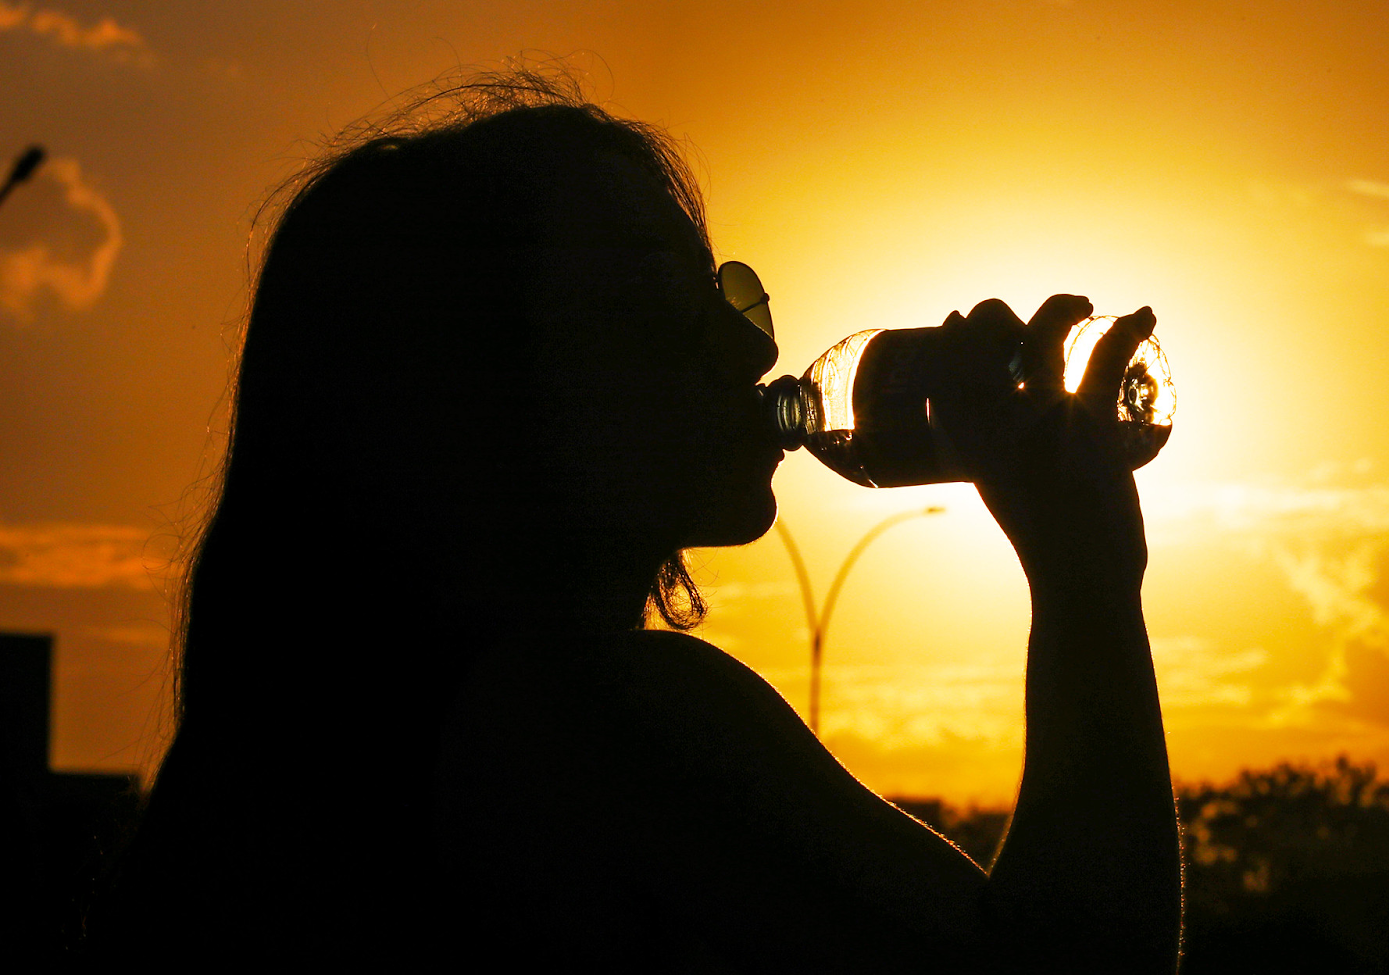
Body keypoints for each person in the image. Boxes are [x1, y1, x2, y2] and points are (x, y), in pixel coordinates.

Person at [95, 70, 1180, 970]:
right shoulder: (592, 718)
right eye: (656, 308)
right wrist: (1084, 571)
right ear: (480, 394)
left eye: (726, 294)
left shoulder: (287, 784)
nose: (748, 349)